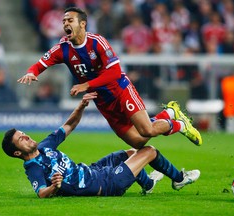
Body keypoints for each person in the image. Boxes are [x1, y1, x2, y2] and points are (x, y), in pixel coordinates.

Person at [17, 7, 202, 149]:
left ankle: (179, 124)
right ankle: (170, 113)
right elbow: (41, 64)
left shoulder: (97, 42)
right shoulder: (62, 48)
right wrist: (32, 72)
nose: (65, 23)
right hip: (104, 102)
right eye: (64, 20)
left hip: (120, 90)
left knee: (147, 130)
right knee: (138, 142)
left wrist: (86, 85)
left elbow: (114, 72)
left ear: (82, 24)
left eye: (70, 20)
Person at [2, 92, 201, 198]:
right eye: (22, 139)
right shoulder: (33, 167)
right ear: (18, 152)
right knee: (149, 151)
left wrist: (80, 107)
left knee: (130, 152)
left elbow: (69, 125)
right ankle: (179, 179)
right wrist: (54, 187)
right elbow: (41, 193)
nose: (27, 137)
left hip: (93, 170)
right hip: (104, 185)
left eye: (24, 134)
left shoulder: (45, 147)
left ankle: (148, 185)